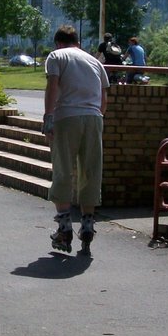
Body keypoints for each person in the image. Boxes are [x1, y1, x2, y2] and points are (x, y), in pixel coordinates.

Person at [43, 25, 110, 256]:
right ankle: (88, 224)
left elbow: (52, 86)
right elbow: (103, 98)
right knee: (90, 171)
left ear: (58, 43)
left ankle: (64, 228)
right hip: (94, 118)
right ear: (77, 42)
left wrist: (48, 118)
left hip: (66, 117)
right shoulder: (95, 62)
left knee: (63, 170)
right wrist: (96, 117)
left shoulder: (56, 56)